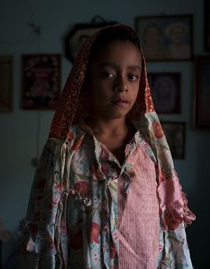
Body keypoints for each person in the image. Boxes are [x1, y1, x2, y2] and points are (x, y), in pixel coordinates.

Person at [20, 24, 195, 268]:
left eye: (132, 76)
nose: (122, 85)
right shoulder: (63, 152)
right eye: (108, 74)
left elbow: (172, 235)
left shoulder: (152, 152)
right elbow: (43, 230)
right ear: (87, 79)